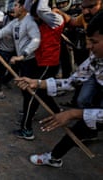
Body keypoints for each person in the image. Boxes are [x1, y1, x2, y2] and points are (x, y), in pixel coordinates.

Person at [14, 10, 103, 167]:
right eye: (88, 41)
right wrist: (37, 83)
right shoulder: (96, 59)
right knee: (80, 127)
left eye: (94, 42)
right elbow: (72, 81)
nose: (88, 46)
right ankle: (54, 157)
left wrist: (74, 114)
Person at [0, 0, 41, 139]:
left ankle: (27, 129)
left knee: (29, 92)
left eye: (15, 5)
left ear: (23, 7)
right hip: (22, 61)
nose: (12, 8)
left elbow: (36, 40)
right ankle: (28, 115)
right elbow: (2, 32)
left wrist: (22, 55)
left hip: (30, 62)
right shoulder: (15, 23)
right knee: (26, 91)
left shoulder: (29, 22)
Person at [12, 0, 64, 140]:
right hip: (40, 62)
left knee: (32, 94)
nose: (34, 19)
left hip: (49, 63)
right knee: (43, 92)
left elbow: (40, 8)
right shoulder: (41, 21)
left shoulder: (56, 20)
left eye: (36, 16)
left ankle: (26, 129)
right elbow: (30, 7)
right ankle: (58, 112)